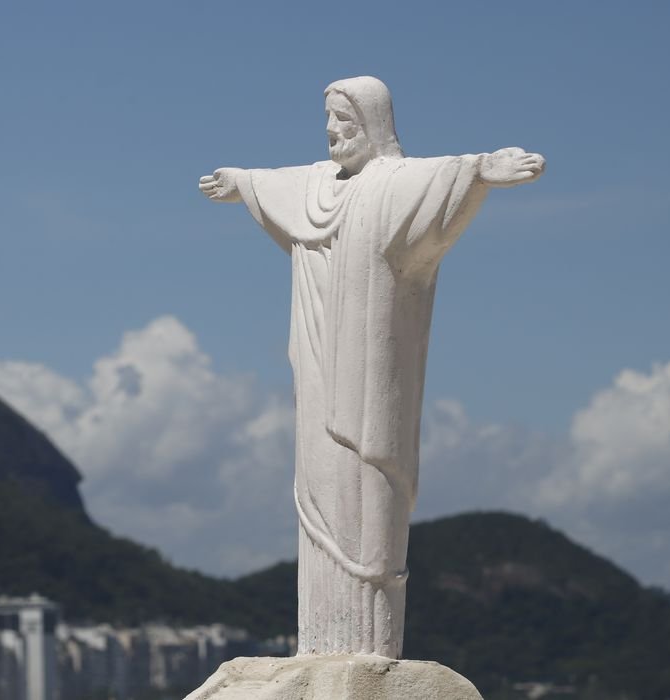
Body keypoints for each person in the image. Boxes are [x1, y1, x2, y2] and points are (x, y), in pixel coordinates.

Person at [199, 76, 544, 658]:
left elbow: (445, 175)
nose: (333, 131)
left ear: (375, 125)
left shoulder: (393, 184)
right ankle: (322, 651)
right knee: (317, 489)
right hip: (316, 372)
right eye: (328, 119)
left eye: (345, 120)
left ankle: (366, 653)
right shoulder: (316, 185)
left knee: (370, 491)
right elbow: (278, 183)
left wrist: (485, 169)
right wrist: (241, 182)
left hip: (370, 375)